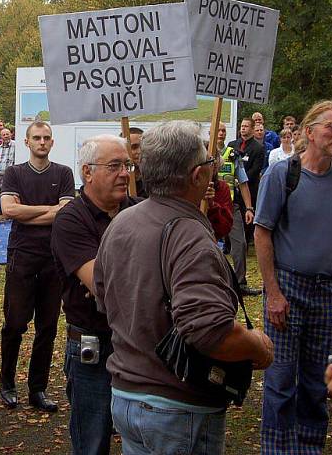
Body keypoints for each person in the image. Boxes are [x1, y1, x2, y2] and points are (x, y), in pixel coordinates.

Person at [94, 121, 274, 455]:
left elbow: (104, 299)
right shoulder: (189, 235)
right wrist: (257, 346)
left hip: (127, 399)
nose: (213, 169)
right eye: (210, 163)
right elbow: (208, 331)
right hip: (176, 408)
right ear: (196, 176)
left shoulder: (123, 221)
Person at [255, 100, 332, 453]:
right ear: (309, 132)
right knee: (282, 379)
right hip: (288, 287)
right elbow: (262, 232)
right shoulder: (283, 174)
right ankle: (278, 449)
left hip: (330, 291)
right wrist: (272, 293)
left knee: (319, 382)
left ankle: (309, 447)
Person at [51, 135, 138, 455]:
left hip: (138, 344)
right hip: (93, 347)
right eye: (114, 165)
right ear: (87, 172)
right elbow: (104, 287)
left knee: (139, 435)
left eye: (127, 165)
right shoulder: (71, 219)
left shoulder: (139, 210)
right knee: (92, 440)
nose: (125, 173)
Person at [0, 121, 75, 412]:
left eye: (46, 138)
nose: (42, 142)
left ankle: (38, 388)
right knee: (15, 323)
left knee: (48, 327)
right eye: (36, 138)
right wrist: (50, 210)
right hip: (22, 255)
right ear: (27, 142)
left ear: (52, 143)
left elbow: (65, 213)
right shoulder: (14, 173)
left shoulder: (63, 173)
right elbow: (8, 210)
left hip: (52, 258)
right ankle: (7, 383)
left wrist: (27, 212)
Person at [217, 122, 260, 296]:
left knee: (240, 243)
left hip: (231, 206)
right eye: (218, 130)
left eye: (223, 130)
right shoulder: (203, 151)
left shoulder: (233, 155)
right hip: (207, 206)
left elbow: (243, 182)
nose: (221, 133)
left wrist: (249, 208)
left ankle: (240, 283)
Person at [228, 117, 265, 245]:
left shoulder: (258, 148)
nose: (243, 128)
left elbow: (256, 169)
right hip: (232, 189)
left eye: (246, 126)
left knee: (246, 217)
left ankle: (246, 241)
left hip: (249, 187)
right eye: (242, 126)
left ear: (253, 129)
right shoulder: (232, 145)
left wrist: (241, 179)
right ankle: (228, 244)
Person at [127, 127, 146, 197]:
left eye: (142, 146)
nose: (139, 151)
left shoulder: (153, 179)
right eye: (134, 147)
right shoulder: (121, 180)